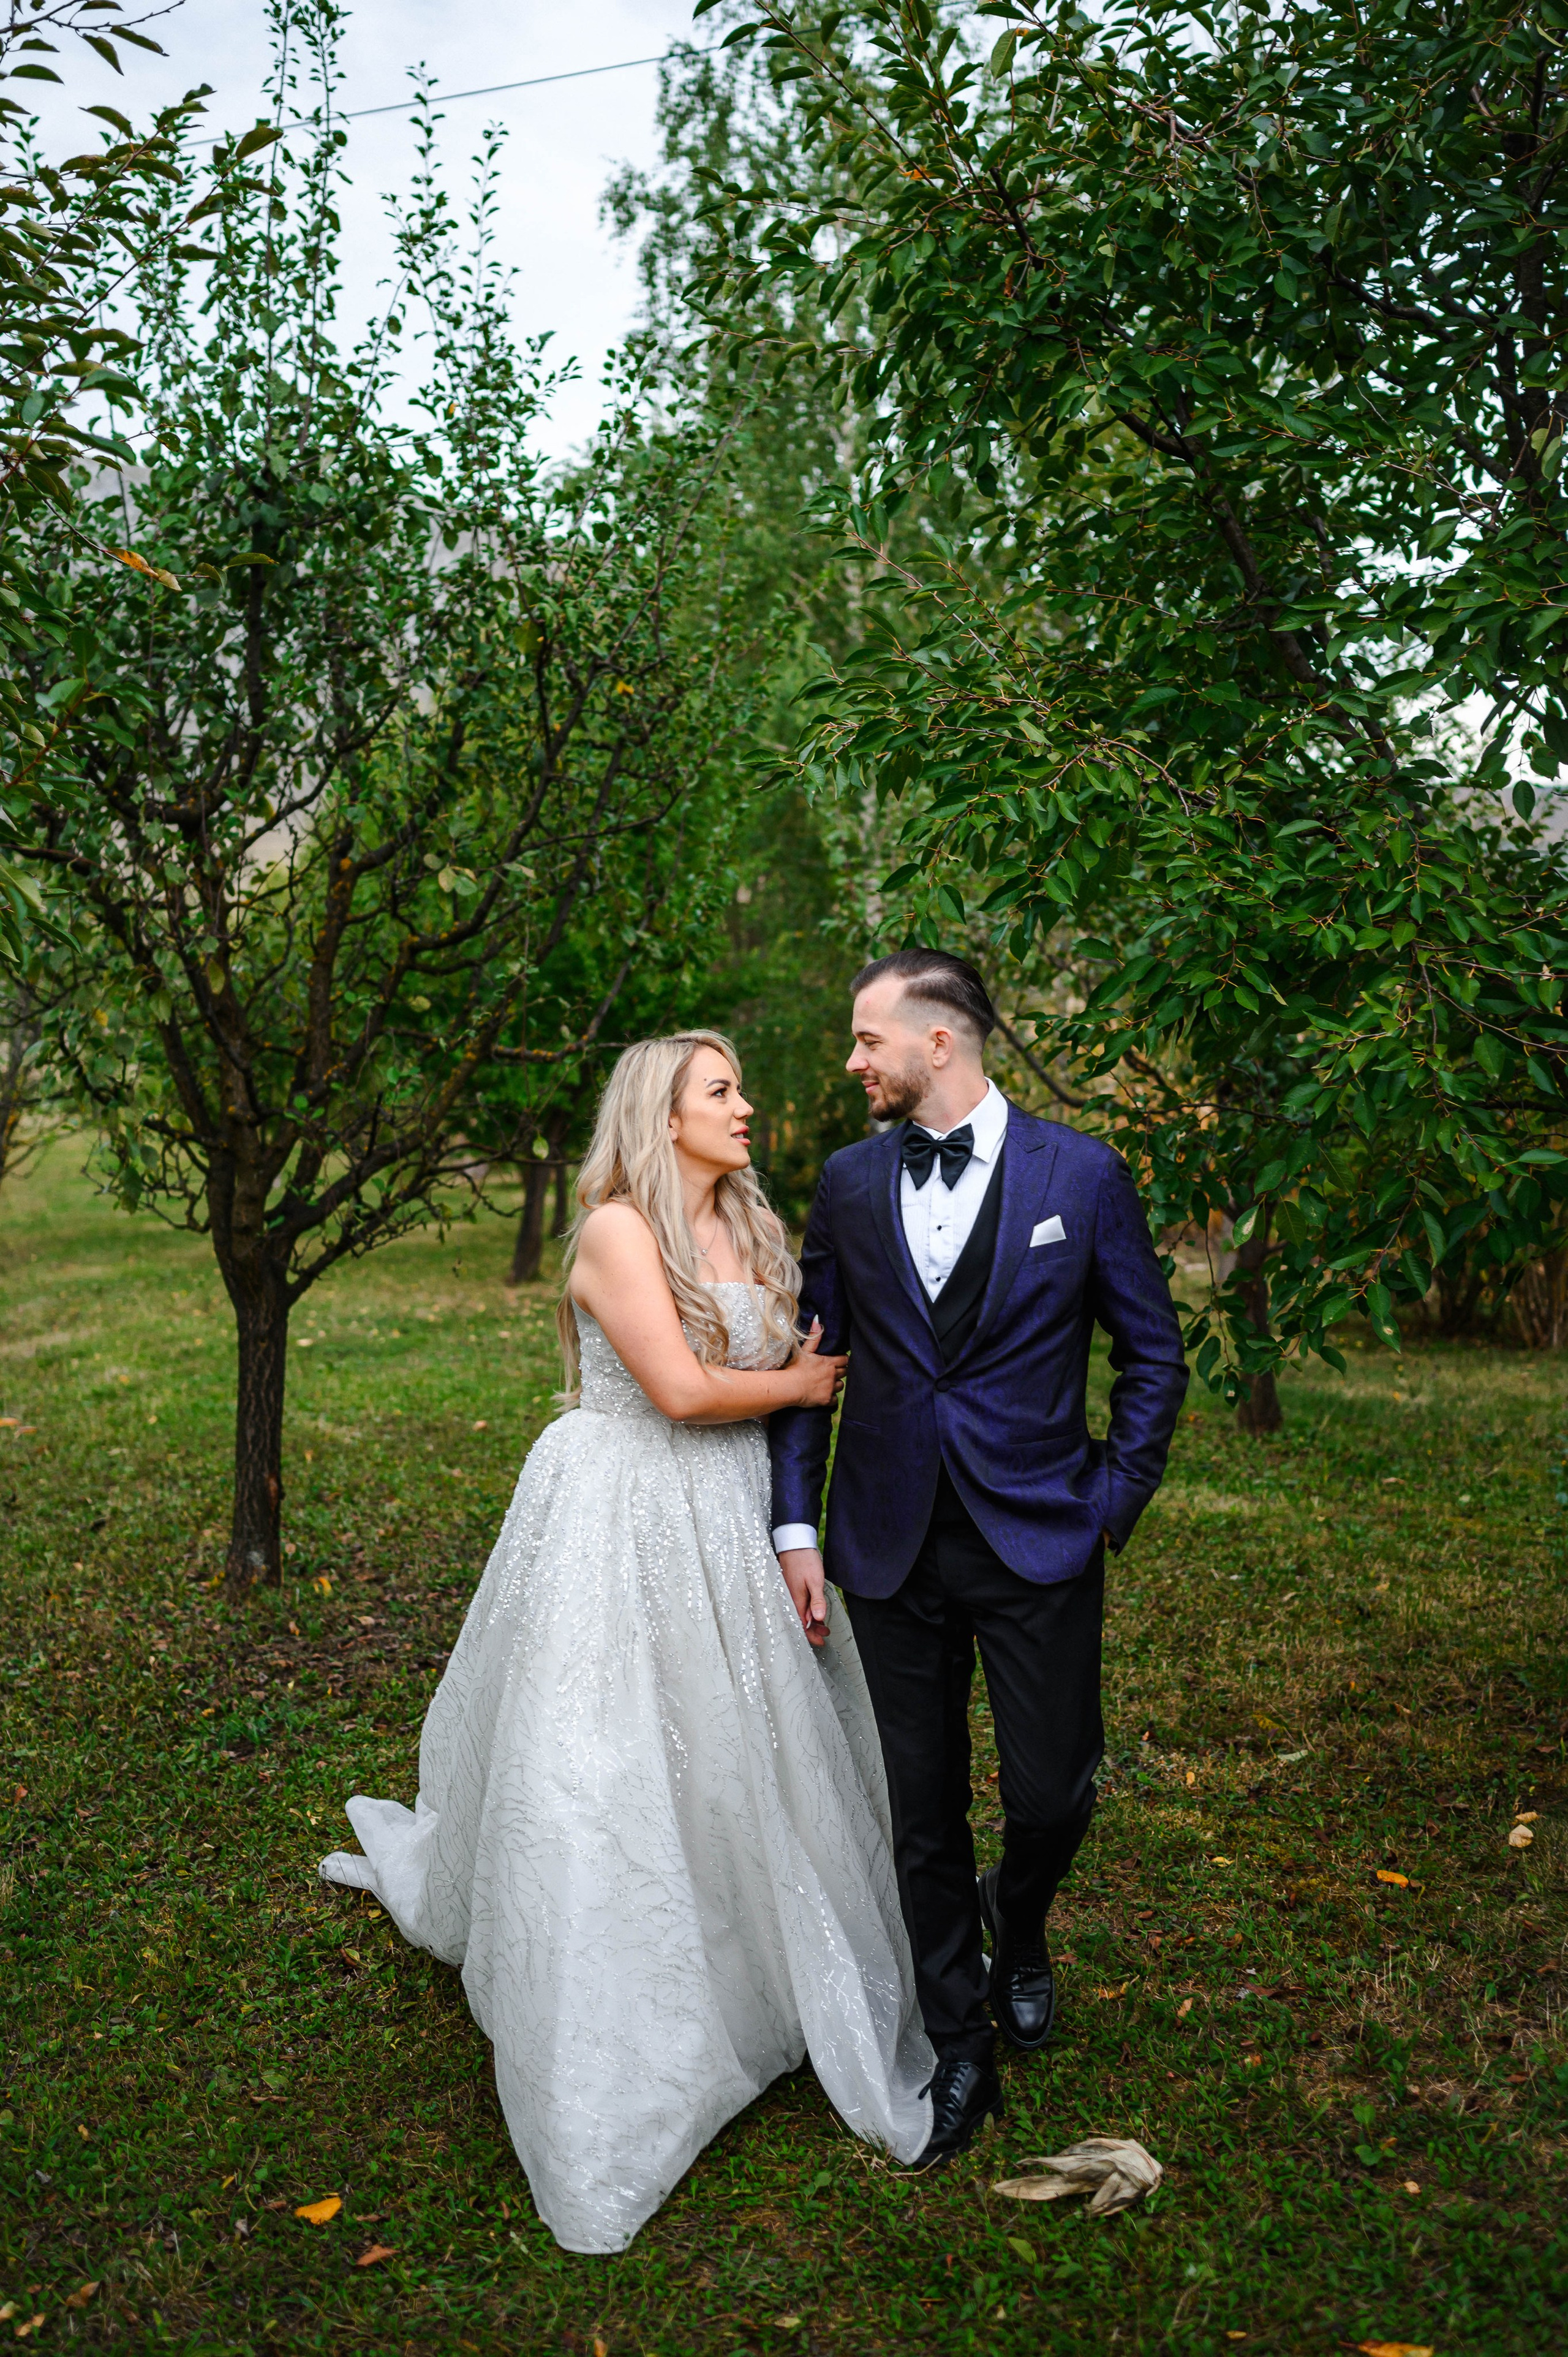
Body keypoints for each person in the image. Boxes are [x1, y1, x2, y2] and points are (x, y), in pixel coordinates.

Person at [319, 1032, 933, 2254]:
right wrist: (809, 1390)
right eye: (722, 1091)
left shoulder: (751, 1230)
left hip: (732, 1514)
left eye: (740, 1087)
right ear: (661, 1116)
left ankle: (759, 1960)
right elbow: (681, 1391)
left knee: (744, 1745)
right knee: (608, 1761)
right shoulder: (611, 1228)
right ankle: (621, 2019)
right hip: (624, 1507)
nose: (747, 1106)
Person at [769, 951, 1188, 2168]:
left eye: (865, 1039)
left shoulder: (1081, 1172)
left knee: (1053, 1787)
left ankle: (1021, 1921)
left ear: (936, 1041)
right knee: (923, 1806)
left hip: (1038, 1535)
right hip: (887, 1541)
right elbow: (814, 1371)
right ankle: (956, 2040)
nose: (851, 1061)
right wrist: (796, 1524)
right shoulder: (848, 1184)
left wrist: (1106, 1499)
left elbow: (1150, 1358)